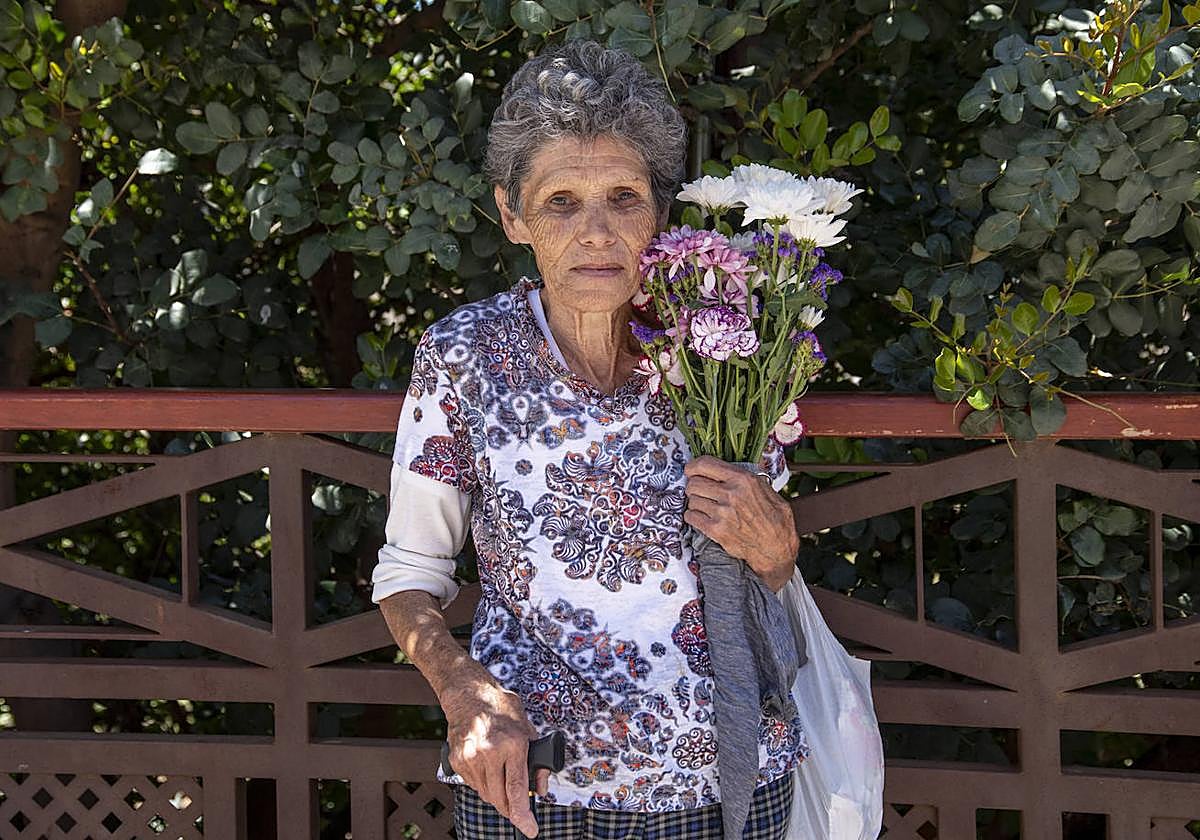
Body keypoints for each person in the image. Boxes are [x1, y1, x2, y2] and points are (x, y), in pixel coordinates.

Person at [372, 39, 806, 840]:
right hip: (536, 778)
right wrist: (463, 692)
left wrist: (778, 547)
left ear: (661, 212)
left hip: (727, 776)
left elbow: (768, 568)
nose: (598, 232)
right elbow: (409, 572)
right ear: (512, 216)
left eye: (623, 197)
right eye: (562, 202)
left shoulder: (722, 344)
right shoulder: (465, 354)